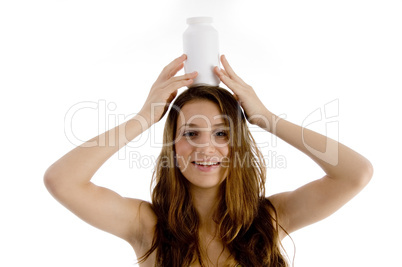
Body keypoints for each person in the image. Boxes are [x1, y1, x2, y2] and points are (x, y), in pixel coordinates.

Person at [44, 54, 373, 266]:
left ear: (238, 143)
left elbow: (355, 173)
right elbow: (62, 181)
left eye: (221, 133)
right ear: (172, 146)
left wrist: (266, 118)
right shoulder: (146, 225)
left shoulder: (270, 220)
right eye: (190, 134)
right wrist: (144, 118)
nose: (205, 148)